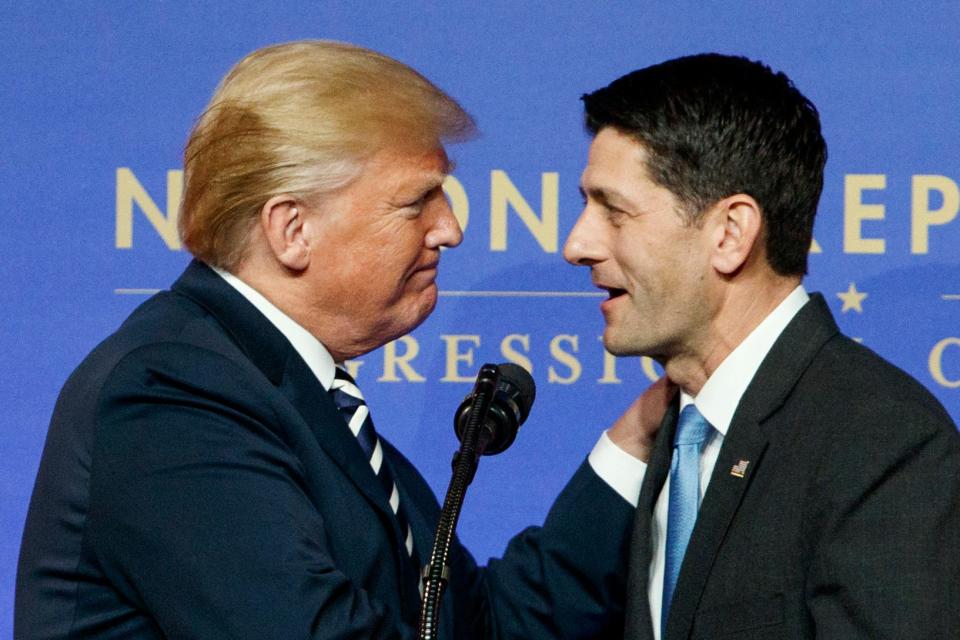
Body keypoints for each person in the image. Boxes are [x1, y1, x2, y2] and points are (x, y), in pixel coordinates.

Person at [16, 40, 664, 639]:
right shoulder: (172, 396)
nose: (451, 228)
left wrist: (635, 441)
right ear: (292, 229)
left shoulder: (301, 393)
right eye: (418, 201)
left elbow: (476, 625)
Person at [563, 53, 960, 640]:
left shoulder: (883, 443)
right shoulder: (677, 431)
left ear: (729, 234)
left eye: (614, 211)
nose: (577, 244)